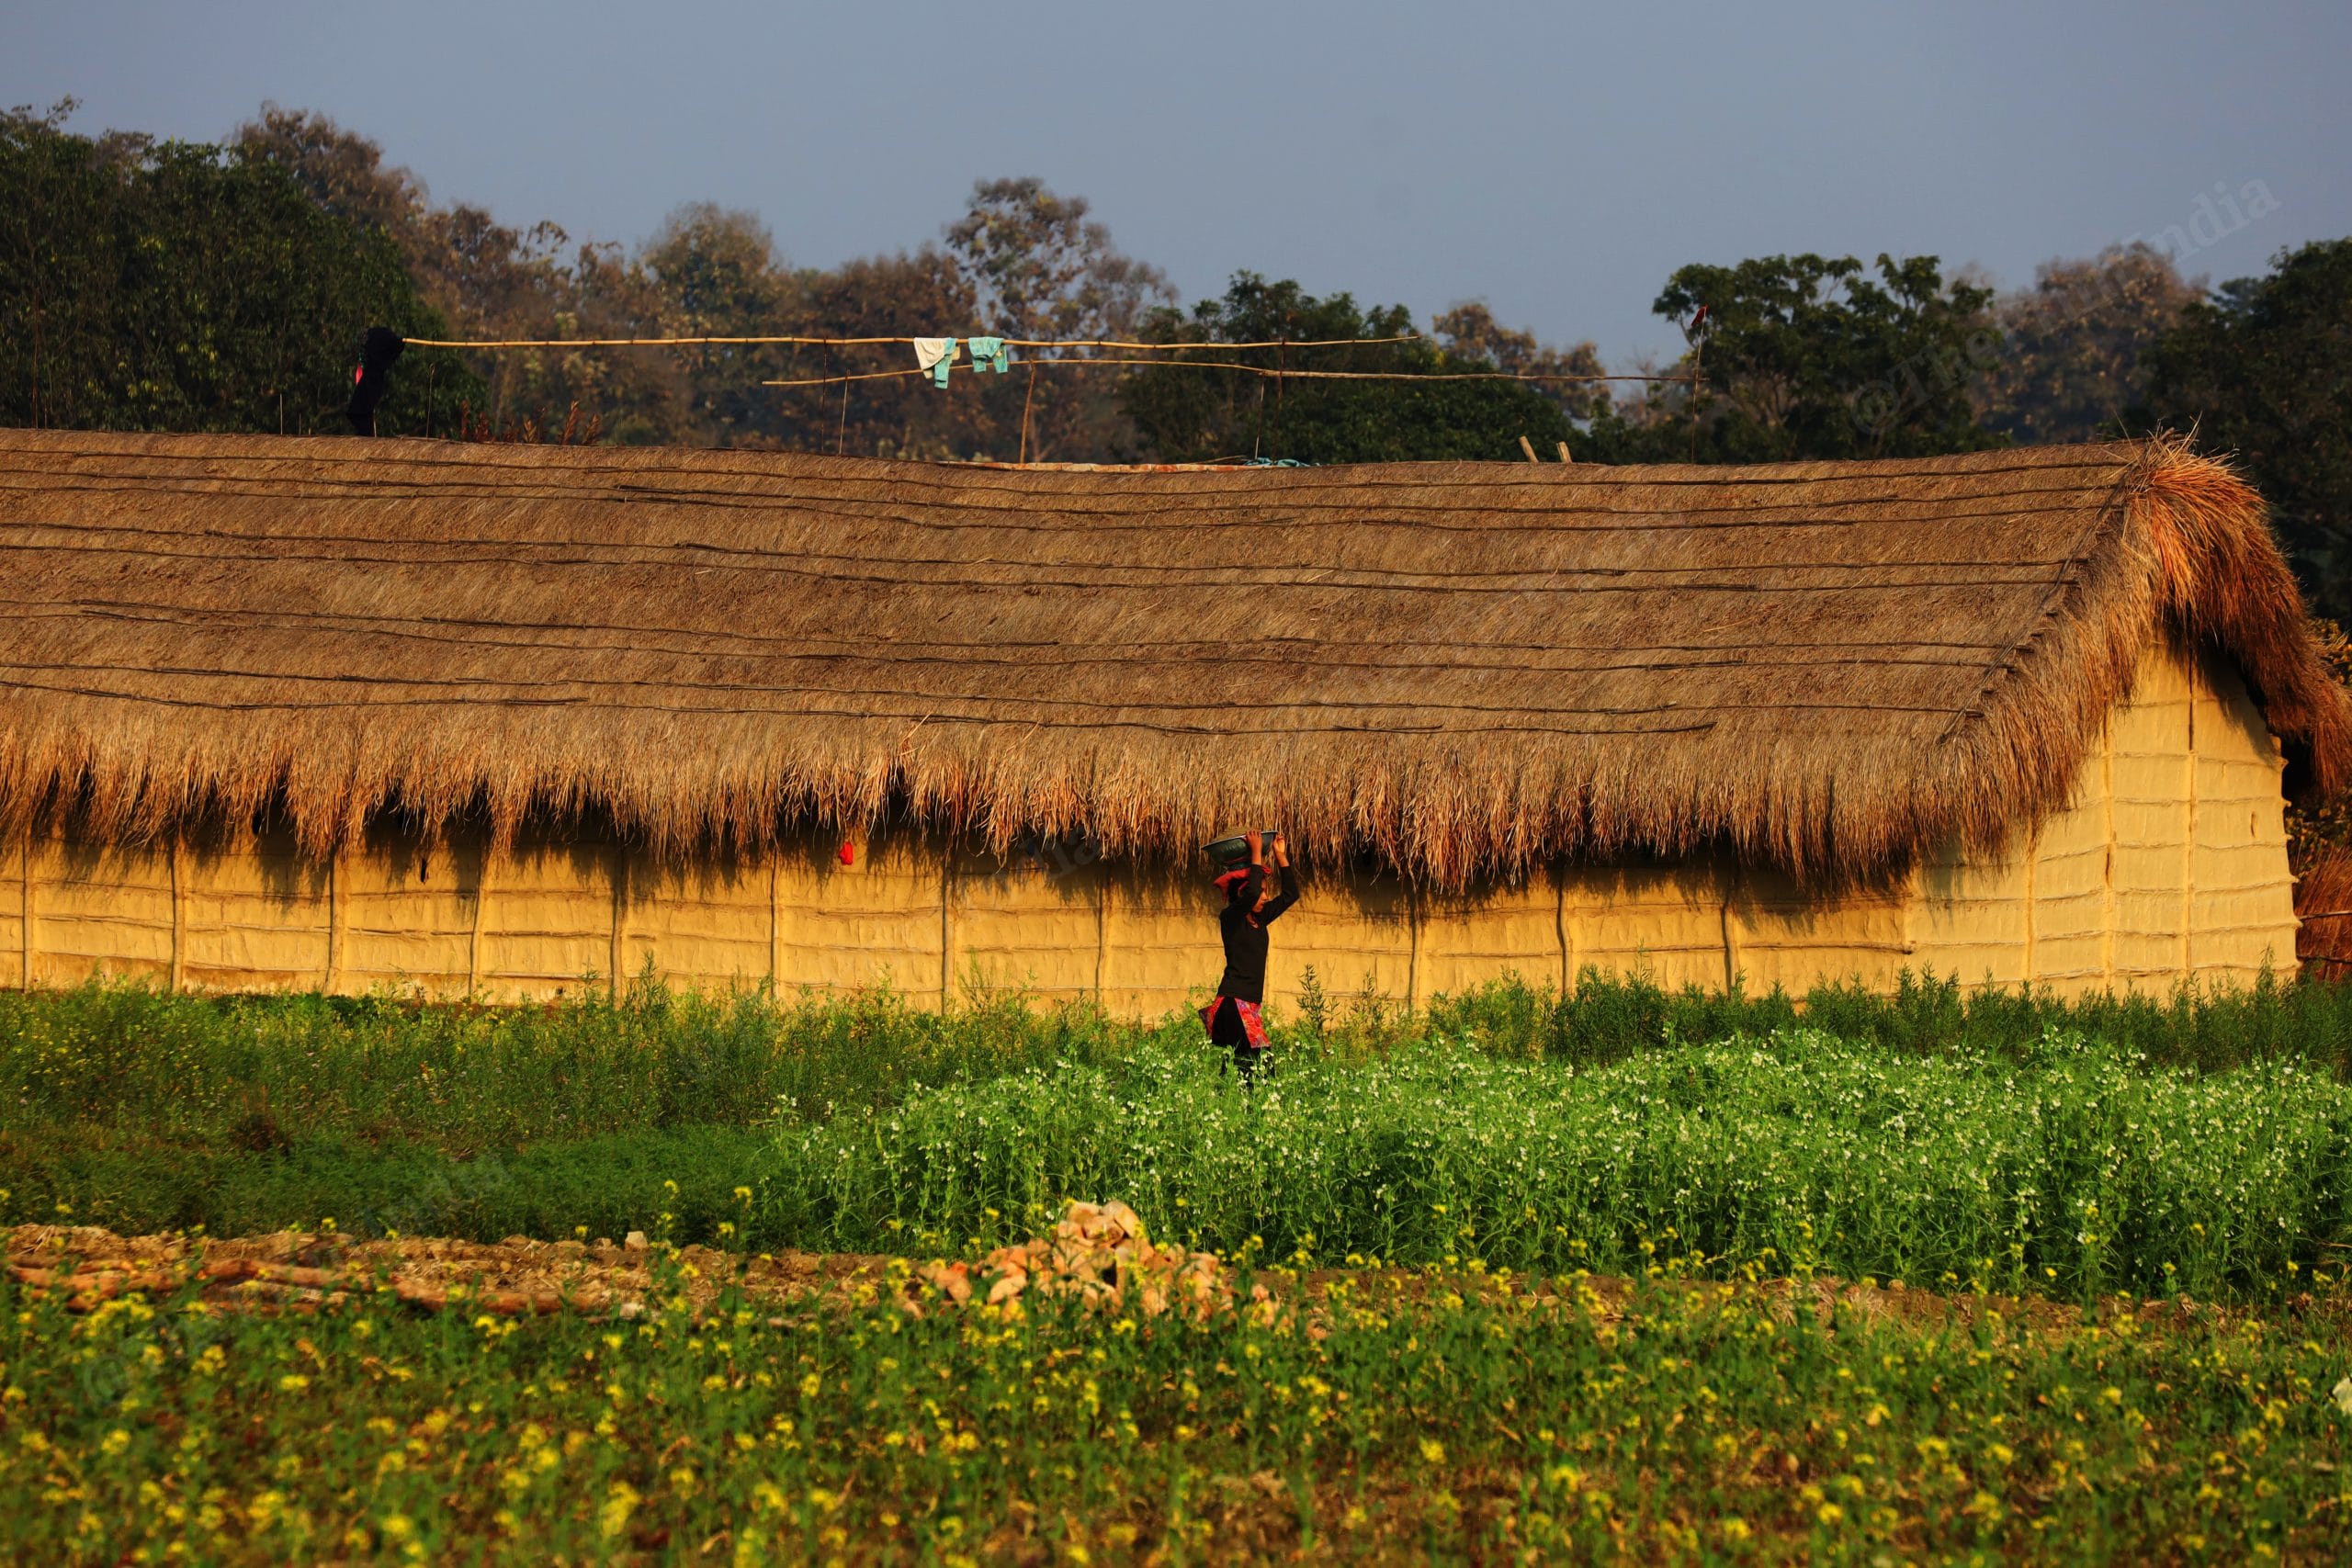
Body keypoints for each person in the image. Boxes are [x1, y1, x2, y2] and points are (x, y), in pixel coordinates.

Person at [1200, 830, 1300, 1084]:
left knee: (1239, 1072)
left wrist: (1280, 855)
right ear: (1244, 894)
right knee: (1261, 1070)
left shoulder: (1259, 918)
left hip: (1248, 1008)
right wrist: (1256, 851)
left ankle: (1224, 1112)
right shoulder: (1231, 918)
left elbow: (1291, 895)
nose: (1265, 896)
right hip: (1234, 1006)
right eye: (1262, 892)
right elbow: (1253, 887)